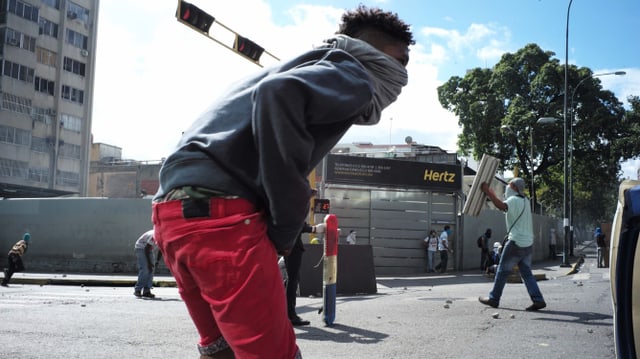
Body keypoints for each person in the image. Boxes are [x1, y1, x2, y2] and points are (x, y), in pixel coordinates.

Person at [151, 6, 415, 358]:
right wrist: (286, 226)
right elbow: (279, 94)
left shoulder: (305, 63)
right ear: (380, 54)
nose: (403, 75)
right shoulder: (354, 71)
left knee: (220, 349)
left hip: (172, 218)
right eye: (403, 61)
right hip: (224, 220)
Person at [478, 178, 547, 311]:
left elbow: (501, 206)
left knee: (502, 271)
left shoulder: (514, 200)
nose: (507, 187)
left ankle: (494, 299)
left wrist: (488, 191)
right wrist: (492, 193)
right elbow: (505, 205)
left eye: (509, 185)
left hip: (516, 242)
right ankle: (538, 300)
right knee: (526, 273)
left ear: (515, 188)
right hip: (528, 243)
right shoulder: (525, 201)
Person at [134, 229, 157, 298]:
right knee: (145, 269)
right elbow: (146, 249)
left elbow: (162, 250)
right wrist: (149, 264)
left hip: (148, 249)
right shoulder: (155, 235)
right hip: (141, 248)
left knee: (151, 269)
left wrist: (157, 262)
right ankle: (137, 290)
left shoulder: (164, 235)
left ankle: (147, 291)